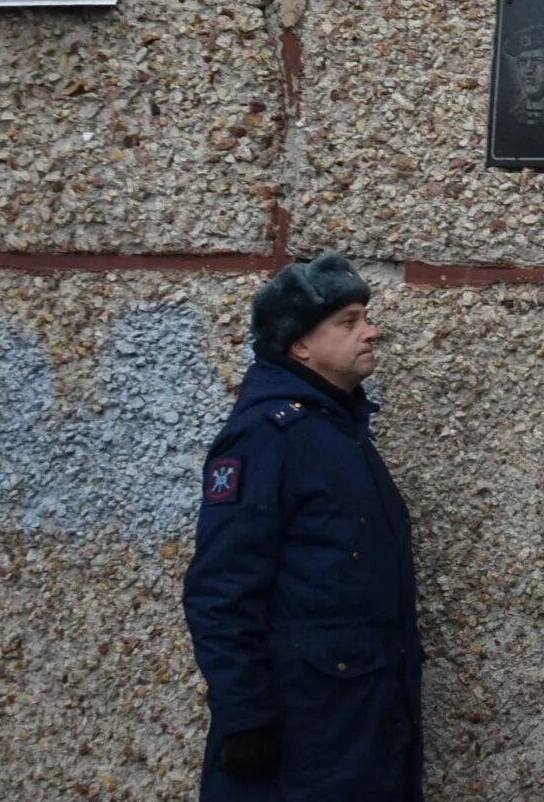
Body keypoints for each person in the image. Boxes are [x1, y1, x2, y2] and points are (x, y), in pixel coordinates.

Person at [183, 253, 424, 800]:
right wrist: (247, 718)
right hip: (306, 740)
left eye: (365, 316)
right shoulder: (269, 437)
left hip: (361, 728)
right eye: (349, 322)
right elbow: (219, 590)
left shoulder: (339, 433)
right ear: (299, 345)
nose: (371, 331)